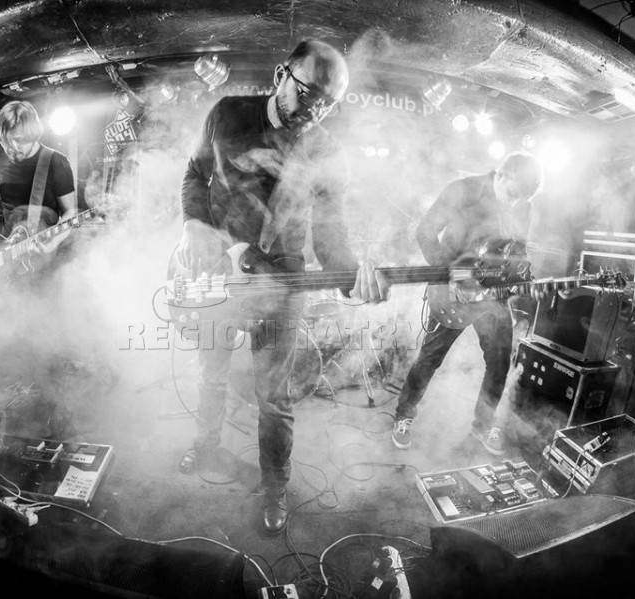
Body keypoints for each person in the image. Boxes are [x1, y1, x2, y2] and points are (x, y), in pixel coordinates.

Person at [177, 39, 387, 534]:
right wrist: (193, 224)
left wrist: (355, 276)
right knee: (211, 373)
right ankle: (206, 445)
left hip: (282, 279)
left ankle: (275, 487)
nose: (316, 110)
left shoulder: (327, 154)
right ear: (280, 76)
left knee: (274, 397)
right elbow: (194, 173)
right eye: (309, 93)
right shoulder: (228, 114)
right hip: (217, 271)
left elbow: (331, 239)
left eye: (329, 104)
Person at [390, 152, 544, 455]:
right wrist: (453, 276)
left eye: (520, 200)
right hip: (452, 291)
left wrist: (527, 277)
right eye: (512, 194)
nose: (513, 203)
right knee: (430, 358)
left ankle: (481, 426)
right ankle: (403, 416)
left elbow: (518, 252)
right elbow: (425, 232)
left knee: (499, 362)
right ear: (502, 174)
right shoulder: (464, 190)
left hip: (493, 297)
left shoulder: (521, 205)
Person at [0, 100, 77, 258]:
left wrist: (52, 243)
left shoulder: (56, 162)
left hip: (43, 257)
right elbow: (7, 199)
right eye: (6, 141)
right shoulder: (3, 161)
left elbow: (70, 212)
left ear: (32, 134)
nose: (11, 148)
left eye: (18, 140)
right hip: (10, 256)